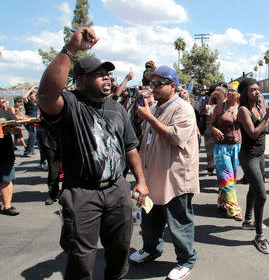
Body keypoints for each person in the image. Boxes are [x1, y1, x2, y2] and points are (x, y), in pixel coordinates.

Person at [38, 27, 149, 279]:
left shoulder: (117, 109)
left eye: (107, 74)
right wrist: (72, 48)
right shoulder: (70, 105)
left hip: (118, 189)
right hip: (81, 192)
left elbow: (130, 147)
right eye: (97, 75)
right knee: (81, 258)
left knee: (120, 252)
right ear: (81, 81)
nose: (106, 78)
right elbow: (46, 95)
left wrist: (141, 181)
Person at [130, 65, 199, 280]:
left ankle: (186, 260)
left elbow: (174, 137)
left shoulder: (183, 109)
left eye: (160, 84)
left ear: (173, 86)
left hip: (175, 179)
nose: (155, 88)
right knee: (150, 220)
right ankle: (151, 249)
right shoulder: (157, 108)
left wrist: (149, 118)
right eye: (153, 84)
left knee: (179, 223)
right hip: (153, 178)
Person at [237, 77, 269, 254]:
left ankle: (247, 221)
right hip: (249, 157)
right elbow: (253, 134)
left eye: (258, 89)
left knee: (254, 190)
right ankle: (259, 236)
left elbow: (266, 131)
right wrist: (267, 115)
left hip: (260, 156)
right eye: (253, 89)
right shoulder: (243, 110)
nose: (257, 92)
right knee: (261, 196)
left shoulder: (258, 108)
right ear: (245, 92)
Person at [210, 81, 242, 220]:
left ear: (238, 94)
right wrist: (214, 129)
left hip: (237, 147)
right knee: (226, 177)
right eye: (228, 90)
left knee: (232, 177)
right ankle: (233, 208)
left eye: (233, 91)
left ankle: (222, 201)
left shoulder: (242, 108)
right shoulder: (219, 107)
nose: (229, 93)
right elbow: (211, 123)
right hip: (221, 147)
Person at [0, 98, 20, 216]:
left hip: (5, 151)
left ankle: (7, 206)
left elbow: (17, 130)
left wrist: (10, 130)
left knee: (6, 180)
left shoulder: (7, 113)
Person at [204, 87, 227, 175]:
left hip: (208, 131)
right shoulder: (221, 108)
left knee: (209, 151)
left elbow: (203, 115)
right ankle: (219, 169)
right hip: (218, 131)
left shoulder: (207, 107)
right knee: (219, 152)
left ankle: (210, 168)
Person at [22, 86, 39, 156]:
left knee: (33, 135)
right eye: (33, 94)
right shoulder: (27, 101)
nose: (34, 95)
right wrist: (31, 89)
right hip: (28, 120)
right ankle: (28, 151)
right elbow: (24, 97)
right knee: (32, 134)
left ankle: (29, 150)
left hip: (34, 120)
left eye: (35, 94)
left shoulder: (36, 102)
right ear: (30, 95)